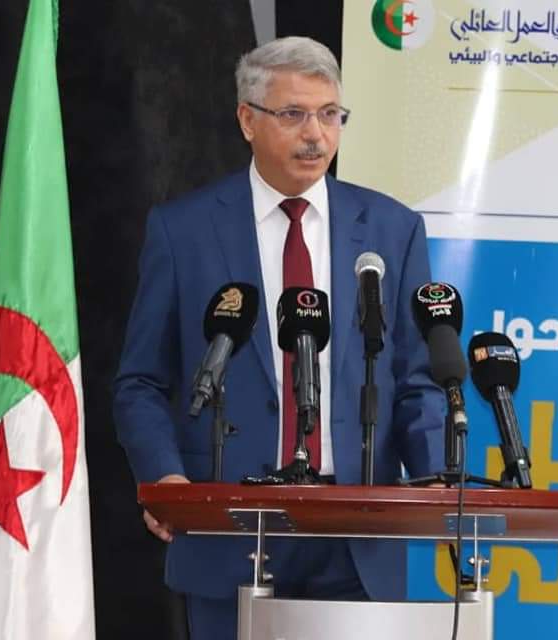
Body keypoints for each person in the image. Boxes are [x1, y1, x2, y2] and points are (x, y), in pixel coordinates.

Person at [113, 36, 445, 639]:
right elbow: (141, 381)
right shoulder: (184, 231)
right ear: (248, 120)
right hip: (229, 529)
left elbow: (416, 380)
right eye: (293, 114)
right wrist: (165, 478)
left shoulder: (392, 229)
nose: (316, 135)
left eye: (330, 114)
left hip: (357, 537)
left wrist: (434, 485)